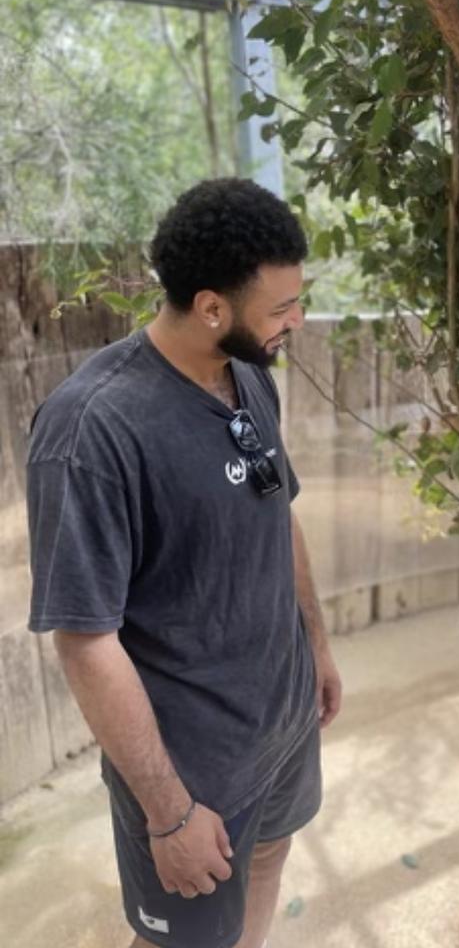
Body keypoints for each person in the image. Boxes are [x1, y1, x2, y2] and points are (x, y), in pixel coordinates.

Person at [26, 177, 342, 948]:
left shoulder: (249, 377)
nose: (296, 321)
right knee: (184, 941)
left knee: (268, 859)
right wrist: (168, 812)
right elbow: (85, 639)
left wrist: (317, 649)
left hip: (283, 718)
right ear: (211, 307)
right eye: (281, 308)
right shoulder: (94, 429)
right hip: (192, 767)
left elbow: (278, 512)